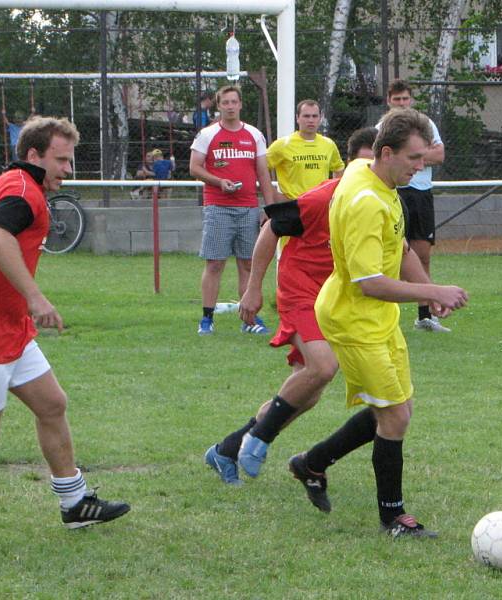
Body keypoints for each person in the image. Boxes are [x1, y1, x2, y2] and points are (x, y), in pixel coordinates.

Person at [0, 117, 130, 529]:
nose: (68, 170)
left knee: (52, 404)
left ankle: (74, 503)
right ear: (34, 155)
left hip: (9, 327)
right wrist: (35, 297)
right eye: (61, 160)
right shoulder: (21, 191)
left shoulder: (14, 184)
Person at [288, 108, 468, 539]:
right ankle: (394, 517)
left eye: (424, 157)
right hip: (354, 319)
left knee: (396, 409)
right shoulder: (366, 202)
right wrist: (433, 293)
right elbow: (369, 282)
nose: (421, 166)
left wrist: (426, 286)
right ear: (386, 153)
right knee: (395, 418)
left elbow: (400, 245)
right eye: (414, 158)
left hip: (380, 319)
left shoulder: (369, 173)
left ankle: (310, 463)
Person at [204, 128, 378, 486]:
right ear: (347, 165)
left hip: (333, 301)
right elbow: (271, 230)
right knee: (324, 367)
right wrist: (252, 289)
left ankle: (226, 449)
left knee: (307, 393)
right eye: (364, 162)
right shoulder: (322, 199)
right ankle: (257, 440)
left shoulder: (378, 203)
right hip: (300, 293)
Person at [189, 85, 279, 336]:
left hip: (248, 208)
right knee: (215, 263)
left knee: (248, 264)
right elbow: (194, 167)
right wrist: (219, 182)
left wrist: (268, 208)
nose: (230, 106)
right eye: (225, 102)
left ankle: (250, 318)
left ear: (240, 105)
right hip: (218, 207)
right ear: (219, 106)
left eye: (234, 102)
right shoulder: (207, 135)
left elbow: (263, 172)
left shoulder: (254, 135)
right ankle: (207, 319)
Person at [377, 79, 448, 333]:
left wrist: (409, 155)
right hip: (396, 193)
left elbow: (439, 155)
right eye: (397, 100)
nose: (402, 103)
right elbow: (381, 159)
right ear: (389, 101)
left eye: (405, 99)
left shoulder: (425, 124)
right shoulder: (382, 127)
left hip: (420, 195)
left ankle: (425, 315)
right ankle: (387, 316)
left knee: (421, 254)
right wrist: (419, 154)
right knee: (392, 255)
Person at [267, 99, 344, 201]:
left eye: (314, 116)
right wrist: (275, 195)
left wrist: (334, 195)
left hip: (320, 206)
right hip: (293, 206)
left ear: (320, 118)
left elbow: (338, 169)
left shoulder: (328, 144)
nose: (311, 120)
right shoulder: (282, 144)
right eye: (306, 116)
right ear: (297, 118)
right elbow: (260, 169)